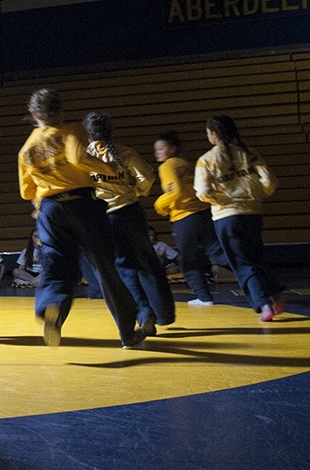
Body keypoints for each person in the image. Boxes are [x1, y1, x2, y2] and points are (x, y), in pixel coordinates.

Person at [17, 89, 142, 348]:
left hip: (50, 210)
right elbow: (77, 158)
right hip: (82, 204)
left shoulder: (27, 149)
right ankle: (127, 333)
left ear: (33, 115)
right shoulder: (71, 130)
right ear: (60, 109)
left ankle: (51, 308)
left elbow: (26, 191)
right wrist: (111, 168)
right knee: (106, 269)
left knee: (58, 267)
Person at [84, 112, 177, 338]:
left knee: (124, 267)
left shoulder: (86, 157)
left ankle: (144, 314)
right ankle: (163, 313)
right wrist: (134, 192)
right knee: (148, 264)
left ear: (88, 135)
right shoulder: (125, 152)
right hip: (132, 212)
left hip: (107, 216)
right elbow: (147, 177)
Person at [195, 115, 285, 322]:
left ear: (214, 134)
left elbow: (202, 191)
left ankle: (264, 304)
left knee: (242, 263)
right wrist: (255, 196)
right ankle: (276, 296)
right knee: (257, 258)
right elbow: (269, 181)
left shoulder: (207, 160)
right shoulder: (250, 154)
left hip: (226, 216)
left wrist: (221, 200)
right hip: (253, 213)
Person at [153, 130, 222, 306]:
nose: (157, 152)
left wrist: (160, 205)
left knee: (187, 260)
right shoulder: (187, 164)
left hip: (185, 217)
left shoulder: (167, 166)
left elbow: (174, 191)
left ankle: (204, 297)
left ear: (173, 148)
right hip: (204, 212)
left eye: (162, 148)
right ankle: (264, 286)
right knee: (218, 253)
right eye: (156, 149)